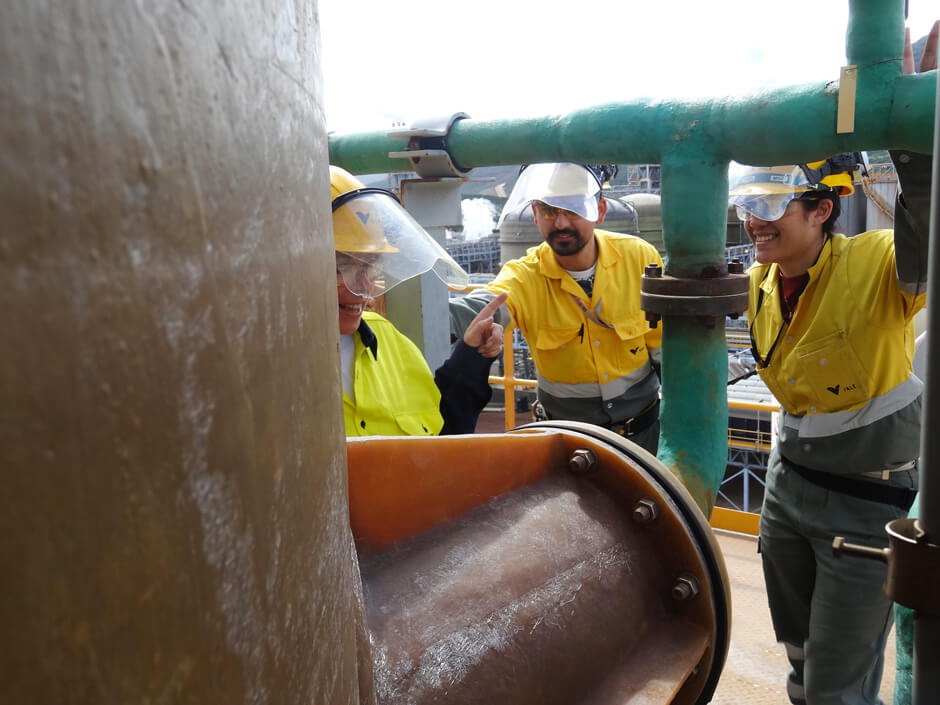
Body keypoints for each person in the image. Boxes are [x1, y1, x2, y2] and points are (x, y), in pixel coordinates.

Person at [728, 22, 936, 705]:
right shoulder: (762, 280)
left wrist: (915, 137)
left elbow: (925, 241)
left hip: (863, 499)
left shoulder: (876, 265)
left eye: (769, 203)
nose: (752, 220)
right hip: (788, 491)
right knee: (801, 660)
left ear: (821, 209)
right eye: (746, 203)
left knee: (836, 687)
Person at [450, 163, 663, 453]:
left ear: (598, 212)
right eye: (549, 211)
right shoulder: (525, 276)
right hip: (568, 445)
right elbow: (480, 306)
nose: (561, 223)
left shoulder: (638, 257)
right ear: (536, 216)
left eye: (573, 209)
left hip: (644, 439)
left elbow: (665, 349)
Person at [331, 165, 506, 436]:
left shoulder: (386, 339)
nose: (365, 290)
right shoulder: (265, 370)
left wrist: (470, 357)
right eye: (343, 267)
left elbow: (439, 437)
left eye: (369, 266)